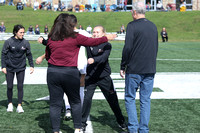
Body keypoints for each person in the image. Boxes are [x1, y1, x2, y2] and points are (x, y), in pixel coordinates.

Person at [40, 13, 116, 133]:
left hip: (53, 72)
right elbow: (92, 42)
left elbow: (48, 55)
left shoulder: (52, 36)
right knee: (75, 101)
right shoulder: (75, 36)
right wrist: (107, 37)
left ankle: (55, 131)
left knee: (55, 104)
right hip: (70, 72)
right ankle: (77, 128)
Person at [36, 14, 91, 121]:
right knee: (79, 89)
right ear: (76, 23)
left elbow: (54, 46)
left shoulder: (67, 34)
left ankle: (69, 109)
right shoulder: (80, 33)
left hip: (72, 65)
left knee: (69, 90)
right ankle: (76, 111)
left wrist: (43, 45)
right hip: (79, 65)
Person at [120, 2, 158, 133]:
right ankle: (143, 129)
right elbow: (155, 47)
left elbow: (128, 47)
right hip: (149, 68)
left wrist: (123, 65)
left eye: (132, 11)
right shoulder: (153, 26)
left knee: (130, 98)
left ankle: (133, 128)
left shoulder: (132, 26)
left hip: (134, 68)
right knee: (145, 100)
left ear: (135, 12)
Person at [81, 25, 127, 132]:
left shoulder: (107, 45)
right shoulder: (89, 43)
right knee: (86, 99)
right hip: (91, 77)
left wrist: (94, 60)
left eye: (97, 32)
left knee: (113, 100)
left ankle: (121, 121)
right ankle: (82, 123)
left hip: (104, 78)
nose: (95, 34)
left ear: (103, 34)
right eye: (94, 32)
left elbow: (103, 58)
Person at [1, 24, 34, 113]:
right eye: (20, 32)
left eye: (23, 32)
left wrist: (31, 65)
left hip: (21, 67)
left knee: (20, 86)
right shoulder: (8, 42)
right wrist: (3, 66)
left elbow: (29, 54)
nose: (22, 34)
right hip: (9, 67)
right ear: (15, 32)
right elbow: (3, 54)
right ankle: (10, 104)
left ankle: (19, 105)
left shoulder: (26, 42)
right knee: (10, 86)